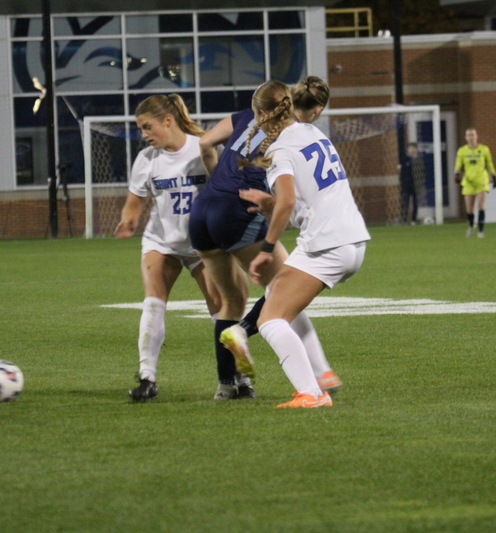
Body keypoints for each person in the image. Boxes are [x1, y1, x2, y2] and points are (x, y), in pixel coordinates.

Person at [189, 76, 340, 401]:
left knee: (230, 301)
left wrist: (217, 181)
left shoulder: (245, 117)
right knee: (286, 286)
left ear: (259, 107)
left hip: (201, 210)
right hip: (235, 211)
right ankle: (246, 336)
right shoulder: (291, 136)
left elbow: (204, 144)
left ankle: (229, 385)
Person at [239, 80, 371, 408]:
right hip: (350, 239)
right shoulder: (313, 133)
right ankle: (321, 374)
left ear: (263, 113)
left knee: (269, 321)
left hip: (327, 244)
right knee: (275, 297)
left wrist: (266, 249)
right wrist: (271, 204)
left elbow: (286, 204)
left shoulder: (279, 149)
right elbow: (299, 201)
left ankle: (311, 393)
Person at [114, 94, 221, 402]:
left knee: (221, 310)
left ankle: (235, 377)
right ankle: (147, 378)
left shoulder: (204, 147)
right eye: (140, 130)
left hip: (204, 244)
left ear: (168, 120)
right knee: (153, 302)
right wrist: (129, 221)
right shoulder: (147, 160)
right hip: (162, 242)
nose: (144, 135)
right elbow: (134, 203)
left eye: (147, 127)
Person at [454, 128, 496, 238]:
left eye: (472, 135)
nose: (471, 137)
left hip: (481, 181)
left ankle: (481, 231)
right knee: (469, 208)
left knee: (481, 206)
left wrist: (494, 177)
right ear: (466, 137)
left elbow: (489, 164)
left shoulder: (484, 149)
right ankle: (471, 225)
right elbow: (458, 165)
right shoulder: (462, 151)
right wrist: (457, 175)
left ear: (476, 136)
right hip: (468, 181)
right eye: (468, 135)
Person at [399, 142, 421, 224]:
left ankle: (413, 219)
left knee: (415, 202)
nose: (412, 150)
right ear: (407, 149)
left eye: (414, 148)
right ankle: (404, 219)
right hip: (406, 184)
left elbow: (421, 172)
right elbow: (402, 173)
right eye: (410, 148)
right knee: (405, 201)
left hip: (416, 184)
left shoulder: (418, 160)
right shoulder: (404, 159)